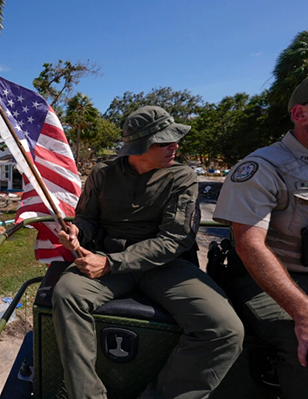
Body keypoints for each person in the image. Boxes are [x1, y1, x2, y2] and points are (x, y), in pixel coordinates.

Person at [53, 106, 244, 399]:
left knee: (225, 329)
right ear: (140, 147)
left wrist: (111, 263)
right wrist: (77, 232)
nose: (175, 146)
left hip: (165, 266)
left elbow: (174, 239)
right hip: (106, 258)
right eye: (165, 142)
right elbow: (87, 218)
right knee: (67, 293)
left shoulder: (182, 177)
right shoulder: (103, 173)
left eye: (174, 140)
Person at [214, 63, 308, 399]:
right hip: (269, 283)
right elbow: (249, 246)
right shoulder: (262, 167)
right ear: (300, 113)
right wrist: (307, 318)